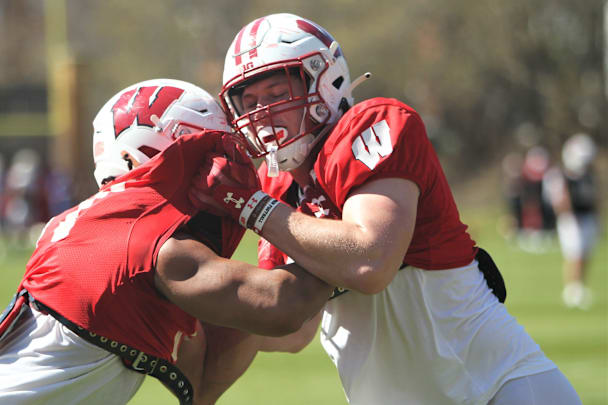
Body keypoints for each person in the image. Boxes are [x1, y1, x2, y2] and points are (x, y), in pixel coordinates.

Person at [190, 13, 582, 404]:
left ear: (324, 82)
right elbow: (292, 327)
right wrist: (186, 308)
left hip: (497, 387)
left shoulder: (371, 124)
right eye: (250, 102)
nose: (262, 115)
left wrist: (252, 206)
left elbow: (370, 260)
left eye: (277, 94)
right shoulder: (275, 188)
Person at [0, 79, 331, 405]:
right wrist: (330, 219)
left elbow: (206, 373)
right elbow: (281, 306)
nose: (224, 166)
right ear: (139, 158)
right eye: (205, 152)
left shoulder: (93, 224)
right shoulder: (151, 245)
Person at [544, 133, 600, 310]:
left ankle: (580, 287)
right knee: (574, 254)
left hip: (588, 217)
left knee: (585, 254)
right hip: (572, 219)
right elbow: (560, 201)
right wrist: (568, 215)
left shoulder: (589, 175)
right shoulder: (561, 176)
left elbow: (595, 197)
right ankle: (572, 290)